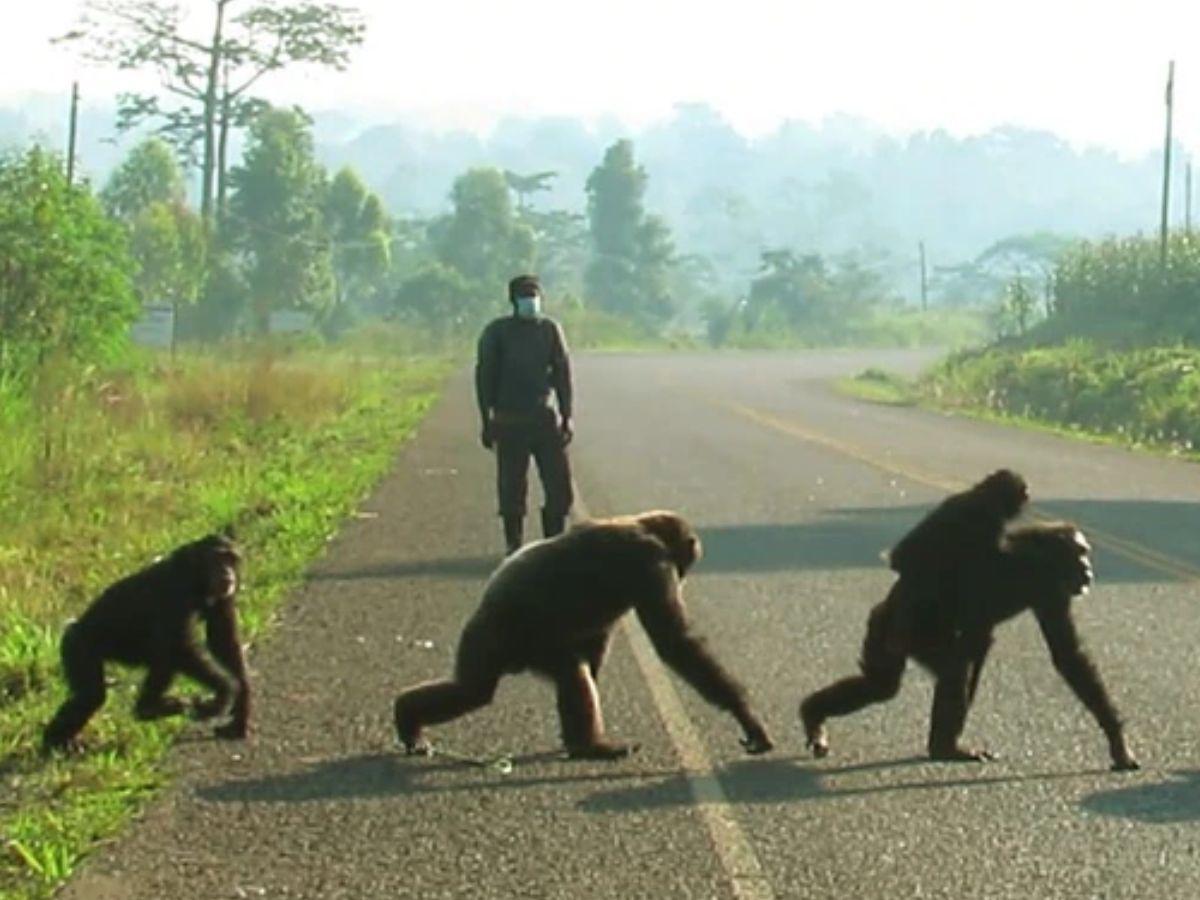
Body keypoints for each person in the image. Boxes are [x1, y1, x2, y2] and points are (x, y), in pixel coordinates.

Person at [475, 274, 574, 554]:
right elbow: (484, 377)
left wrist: (567, 415)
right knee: (512, 490)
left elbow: (563, 374)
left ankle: (554, 545)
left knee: (560, 489)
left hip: (545, 419)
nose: (530, 301)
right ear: (513, 300)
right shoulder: (497, 332)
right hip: (509, 421)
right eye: (524, 296)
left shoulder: (550, 330)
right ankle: (514, 545)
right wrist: (486, 420)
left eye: (534, 295)